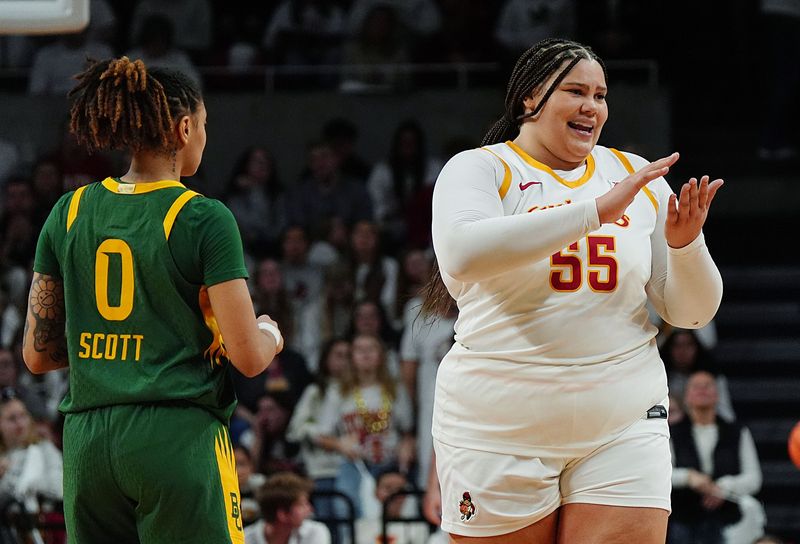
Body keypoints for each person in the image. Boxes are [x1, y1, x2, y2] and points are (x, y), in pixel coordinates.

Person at [423, 38, 724, 542]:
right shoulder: (481, 168)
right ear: (530, 97)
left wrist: (686, 247)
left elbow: (693, 313)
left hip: (622, 420)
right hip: (499, 427)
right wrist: (596, 213)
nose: (593, 107)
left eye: (601, 95)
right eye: (576, 91)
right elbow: (463, 253)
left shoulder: (635, 175)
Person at [22, 57, 284, 544]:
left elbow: (38, 354)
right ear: (185, 128)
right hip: (175, 436)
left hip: (88, 442)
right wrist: (269, 332)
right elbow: (247, 358)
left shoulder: (68, 210)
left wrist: (113, 351)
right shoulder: (203, 218)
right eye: (205, 125)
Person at [669, 371, 764, 544]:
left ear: (717, 395)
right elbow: (662, 474)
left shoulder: (737, 431)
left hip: (729, 522)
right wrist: (688, 477)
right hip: (683, 520)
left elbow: (754, 478)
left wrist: (725, 486)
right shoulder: (672, 432)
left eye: (708, 386)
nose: (702, 390)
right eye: (696, 386)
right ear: (687, 396)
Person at [244, 471, 331, 544]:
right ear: (282, 514)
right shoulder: (244, 538)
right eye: (302, 505)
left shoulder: (316, 532)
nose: (310, 509)